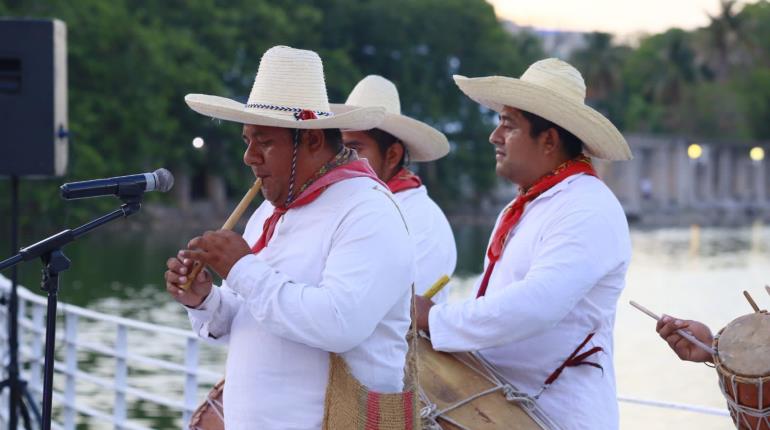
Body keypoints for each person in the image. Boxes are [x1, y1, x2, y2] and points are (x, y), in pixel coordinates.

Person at [164, 45, 415, 429]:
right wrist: (203, 299)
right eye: (246, 141)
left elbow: (339, 323)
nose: (249, 157)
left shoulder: (368, 210)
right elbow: (248, 318)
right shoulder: (270, 210)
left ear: (312, 141)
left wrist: (241, 267)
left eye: (264, 142)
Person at [414, 58, 634, 429]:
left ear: (548, 140)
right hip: (500, 404)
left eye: (508, 125)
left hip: (558, 417)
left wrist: (434, 318)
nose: (494, 136)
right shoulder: (527, 207)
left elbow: (536, 305)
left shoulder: (588, 208)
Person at [333, 75, 456, 301]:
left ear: (392, 155)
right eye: (340, 149)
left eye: (354, 148)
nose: (342, 160)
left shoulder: (421, 219)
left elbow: (403, 314)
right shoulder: (356, 205)